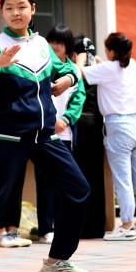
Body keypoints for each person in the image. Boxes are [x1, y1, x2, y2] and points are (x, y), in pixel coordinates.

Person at [0, 0, 90, 272]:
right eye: (9, 8)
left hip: (45, 136)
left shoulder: (42, 43)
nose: (15, 12)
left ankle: (58, 261)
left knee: (79, 190)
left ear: (32, 9)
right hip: (11, 136)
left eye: (21, 6)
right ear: (2, 12)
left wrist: (66, 79)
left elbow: (66, 70)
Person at [77, 33, 136, 240]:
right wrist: (103, 62)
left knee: (123, 178)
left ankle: (126, 225)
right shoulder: (133, 64)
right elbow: (112, 70)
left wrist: (82, 57)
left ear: (111, 51)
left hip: (118, 126)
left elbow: (79, 73)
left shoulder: (108, 69)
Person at [34, 24, 85, 244]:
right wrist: (49, 119)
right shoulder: (41, 66)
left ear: (67, 47)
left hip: (65, 136)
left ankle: (62, 227)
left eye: (60, 43)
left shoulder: (73, 71)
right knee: (44, 184)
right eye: (52, 42)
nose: (55, 47)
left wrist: (66, 119)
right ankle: (45, 227)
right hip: (44, 135)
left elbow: (79, 99)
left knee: (66, 185)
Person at [72, 35, 107, 239]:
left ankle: (90, 227)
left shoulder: (82, 68)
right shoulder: (94, 69)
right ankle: (93, 227)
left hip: (88, 127)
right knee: (91, 177)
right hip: (90, 126)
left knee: (87, 177)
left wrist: (82, 62)